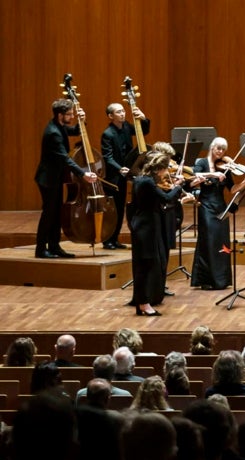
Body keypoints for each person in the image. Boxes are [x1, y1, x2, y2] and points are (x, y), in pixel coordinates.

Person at [187, 137, 245, 290]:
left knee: (221, 241)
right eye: (218, 148)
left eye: (223, 149)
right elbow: (191, 183)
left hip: (221, 206)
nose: (221, 152)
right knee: (209, 240)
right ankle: (206, 280)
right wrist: (211, 175)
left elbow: (231, 189)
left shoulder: (224, 167)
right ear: (212, 147)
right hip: (205, 206)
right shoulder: (201, 164)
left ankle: (221, 280)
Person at [35, 98, 99, 259]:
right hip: (48, 179)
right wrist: (83, 174)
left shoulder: (60, 126)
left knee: (55, 213)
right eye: (69, 114)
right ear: (59, 114)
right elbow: (65, 158)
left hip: (55, 178)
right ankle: (41, 249)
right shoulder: (53, 133)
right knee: (49, 214)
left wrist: (82, 121)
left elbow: (76, 131)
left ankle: (54, 247)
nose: (72, 117)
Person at [129, 152, 182, 315]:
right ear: (159, 168)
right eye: (166, 168)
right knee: (144, 267)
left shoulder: (139, 179)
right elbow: (165, 198)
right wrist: (178, 187)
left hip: (141, 225)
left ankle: (141, 304)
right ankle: (144, 304)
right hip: (147, 228)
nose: (167, 172)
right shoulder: (148, 183)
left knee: (142, 266)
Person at [100, 102, 150, 249]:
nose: (123, 113)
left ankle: (114, 239)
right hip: (114, 177)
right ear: (110, 116)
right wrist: (119, 168)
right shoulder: (107, 134)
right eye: (118, 112)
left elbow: (143, 131)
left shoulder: (127, 127)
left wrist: (143, 118)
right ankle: (107, 240)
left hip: (126, 172)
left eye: (123, 111)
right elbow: (107, 157)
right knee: (113, 209)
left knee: (121, 208)